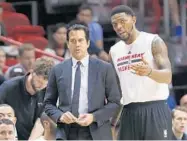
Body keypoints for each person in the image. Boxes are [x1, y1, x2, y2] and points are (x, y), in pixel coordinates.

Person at [44, 24, 121, 140]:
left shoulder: (105, 68)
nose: (77, 45)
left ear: (88, 43)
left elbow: (115, 103)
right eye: (73, 41)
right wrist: (60, 116)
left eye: (81, 40)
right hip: (66, 132)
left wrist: (94, 117)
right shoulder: (57, 69)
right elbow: (48, 103)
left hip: (97, 131)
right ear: (68, 44)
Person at [109, 5, 172, 140]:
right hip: (129, 112)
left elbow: (167, 77)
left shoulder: (153, 41)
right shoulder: (114, 51)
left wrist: (149, 72)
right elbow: (119, 91)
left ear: (134, 19)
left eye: (122, 21)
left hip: (155, 109)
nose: (119, 27)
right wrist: (112, 123)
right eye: (115, 24)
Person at [0, 57, 55, 140]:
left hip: (31, 137)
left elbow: (40, 121)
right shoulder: (8, 88)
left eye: (45, 84)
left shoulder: (47, 92)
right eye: (39, 81)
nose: (41, 86)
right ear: (31, 72)